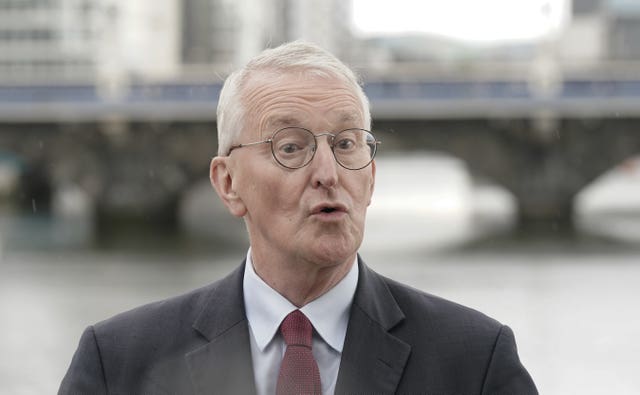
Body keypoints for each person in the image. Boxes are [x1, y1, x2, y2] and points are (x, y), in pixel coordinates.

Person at [59, 41, 538, 395]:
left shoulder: (474, 360)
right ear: (228, 183)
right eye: (291, 147)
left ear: (370, 177)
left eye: (347, 144)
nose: (328, 173)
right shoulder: (119, 362)